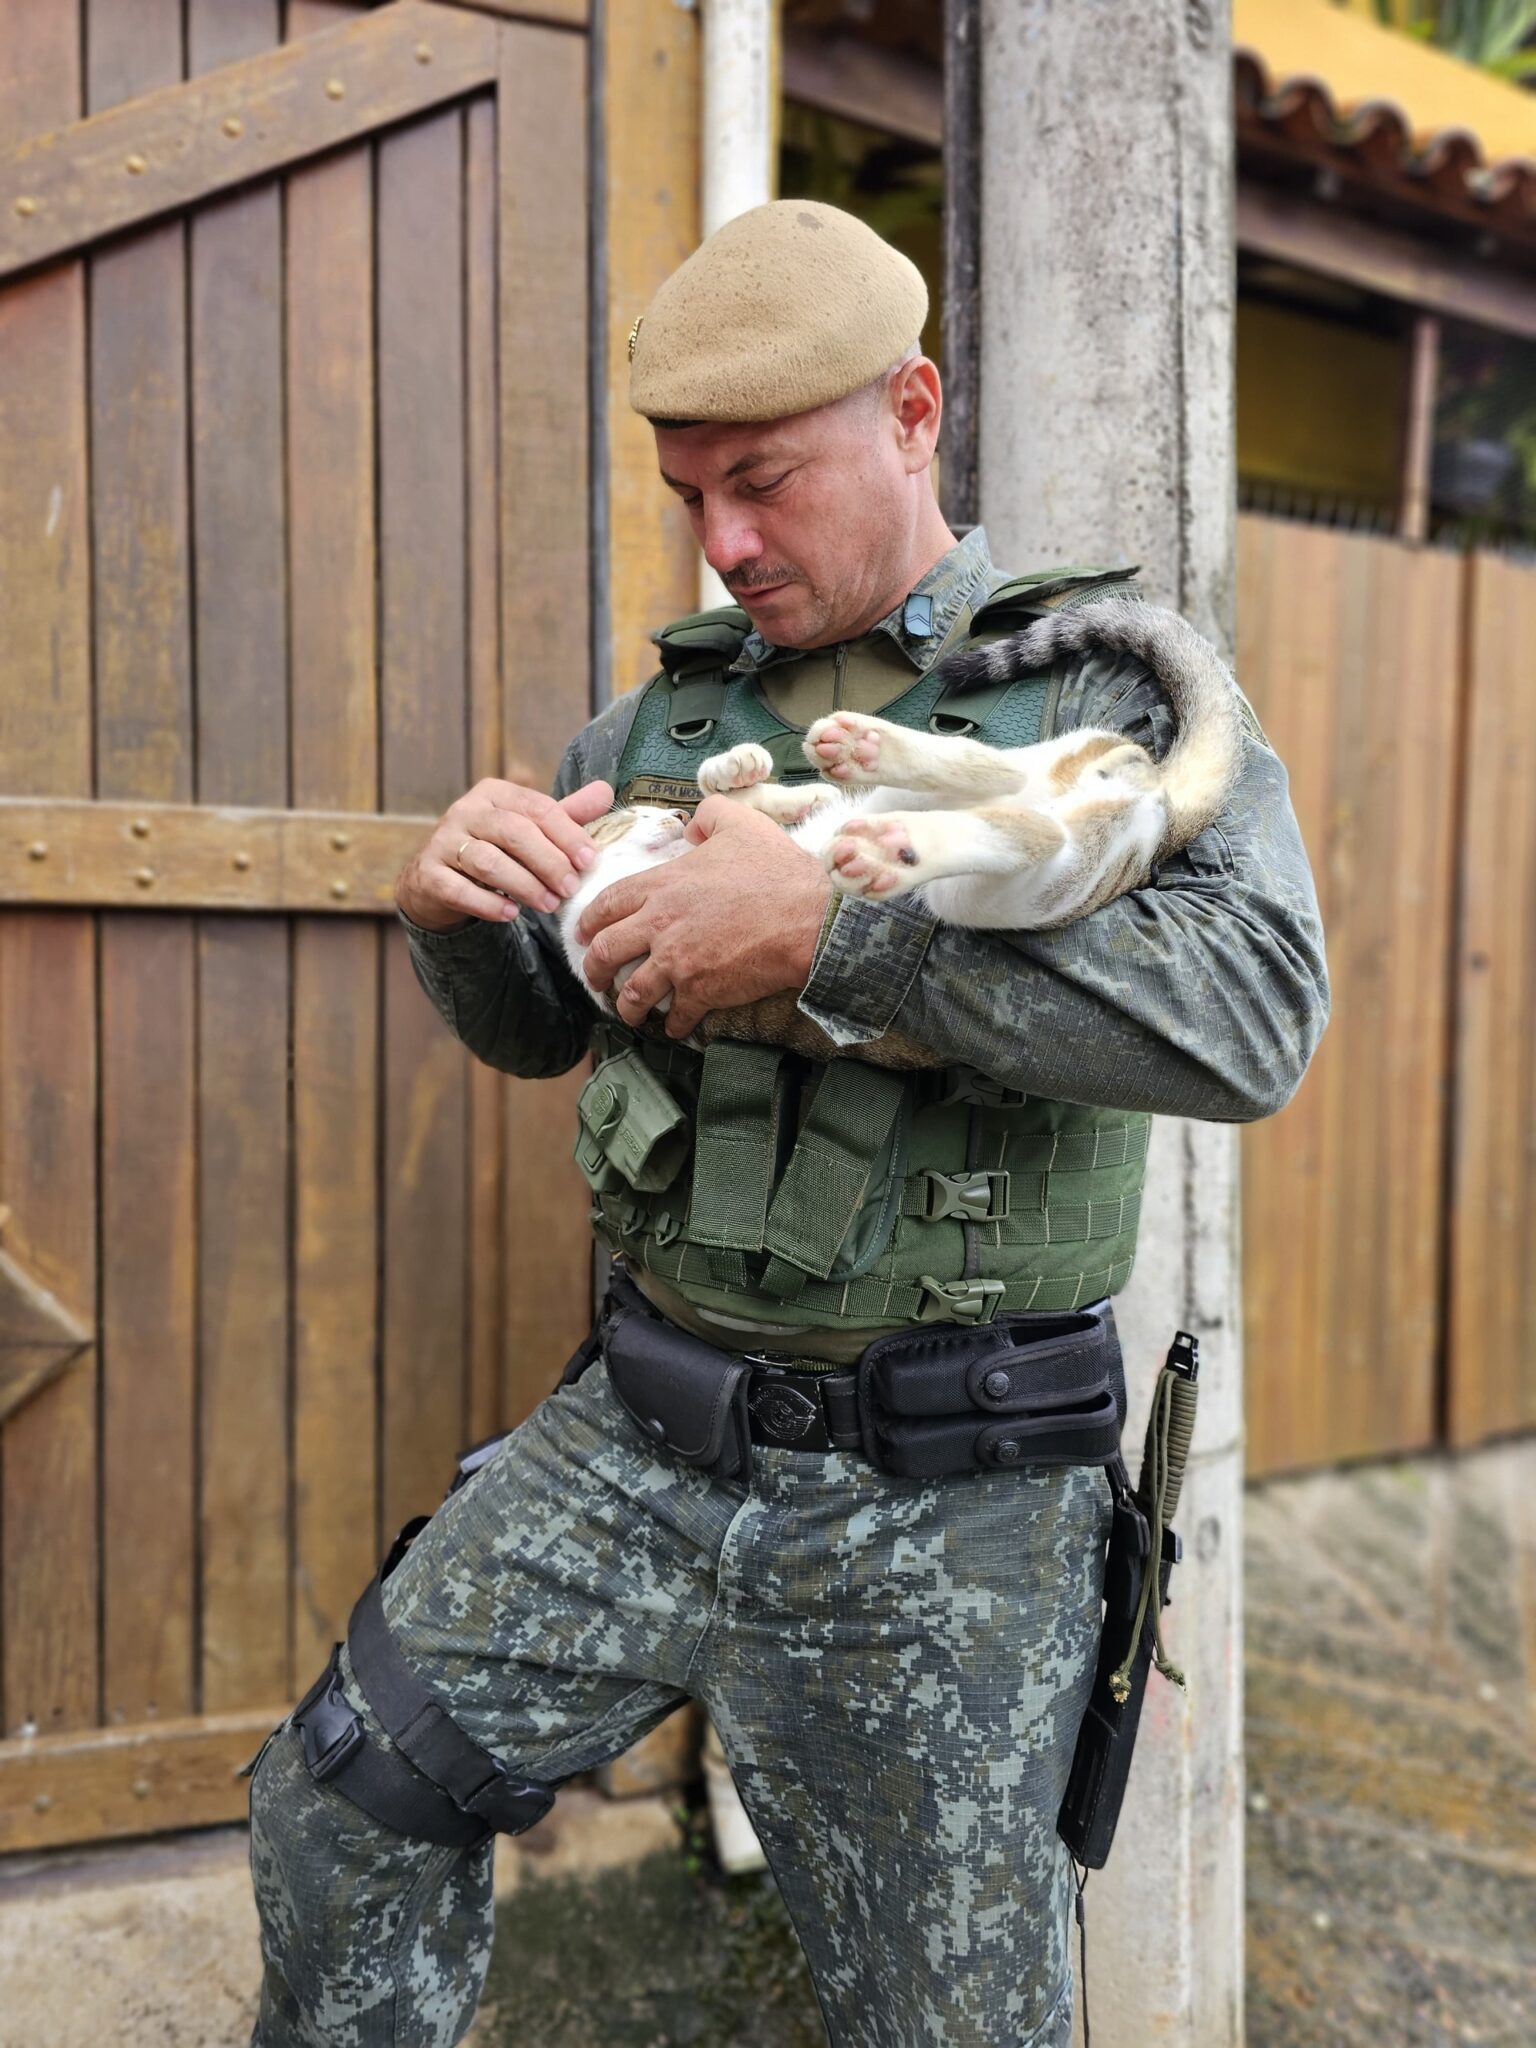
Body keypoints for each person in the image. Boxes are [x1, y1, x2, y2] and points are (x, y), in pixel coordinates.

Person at [247, 201, 1327, 2048]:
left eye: (763, 480)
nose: (724, 540)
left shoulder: (1097, 694)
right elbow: (539, 1028)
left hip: (946, 1503)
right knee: (339, 1800)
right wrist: (456, 924)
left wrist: (847, 943)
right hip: (639, 1440)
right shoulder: (659, 719)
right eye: (688, 496)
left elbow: (1254, 1018)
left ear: (912, 413)